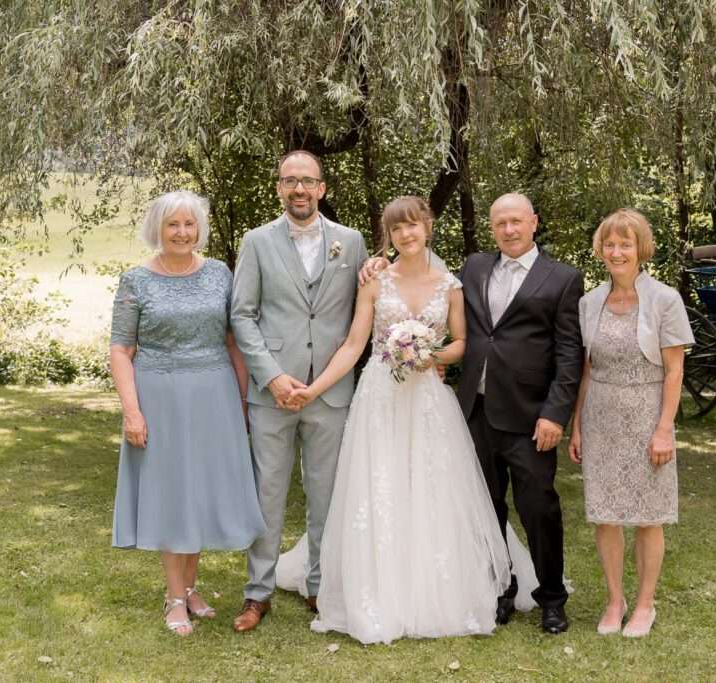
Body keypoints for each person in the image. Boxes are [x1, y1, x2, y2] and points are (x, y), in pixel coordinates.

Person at [285, 196, 510, 644]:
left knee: (430, 488)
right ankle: (378, 591)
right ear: (388, 236)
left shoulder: (450, 284)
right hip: (380, 398)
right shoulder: (375, 280)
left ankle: (434, 591)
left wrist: (432, 355)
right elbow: (353, 345)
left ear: (427, 227)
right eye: (396, 229)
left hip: (427, 398)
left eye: (412, 226)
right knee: (381, 486)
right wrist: (314, 388)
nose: (406, 235)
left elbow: (462, 342)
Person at [359, 192, 583, 634]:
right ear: (493, 228)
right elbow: (418, 267)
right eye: (501, 223)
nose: (510, 230)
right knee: (482, 506)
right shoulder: (474, 269)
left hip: (530, 414)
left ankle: (551, 597)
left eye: (517, 221)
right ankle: (498, 588)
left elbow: (570, 353)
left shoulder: (562, 278)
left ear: (534, 222)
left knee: (538, 506)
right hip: (475, 410)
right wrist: (376, 261)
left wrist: (555, 414)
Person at [110, 190, 267, 636]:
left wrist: (242, 403)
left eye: (189, 224)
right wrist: (132, 412)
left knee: (199, 489)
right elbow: (121, 349)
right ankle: (174, 597)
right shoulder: (136, 280)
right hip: (160, 396)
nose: (182, 232)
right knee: (172, 492)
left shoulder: (220, 273)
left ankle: (192, 587)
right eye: (173, 224)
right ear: (157, 229)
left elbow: (234, 342)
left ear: (199, 229)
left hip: (214, 393)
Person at [229, 150, 369, 632]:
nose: (299, 190)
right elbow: (242, 315)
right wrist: (271, 376)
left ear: (322, 189)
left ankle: (319, 586)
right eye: (290, 181)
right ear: (279, 189)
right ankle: (256, 593)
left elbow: (366, 309)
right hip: (274, 392)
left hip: (329, 391)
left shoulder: (351, 243)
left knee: (326, 493)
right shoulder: (256, 241)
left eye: (308, 181)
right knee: (266, 493)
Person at [568, 208, 693, 638]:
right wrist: (578, 425)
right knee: (605, 515)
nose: (617, 251)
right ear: (600, 249)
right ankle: (614, 600)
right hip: (600, 412)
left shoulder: (664, 300)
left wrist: (664, 429)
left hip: (646, 412)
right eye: (610, 244)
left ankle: (644, 605)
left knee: (647, 515)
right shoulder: (589, 302)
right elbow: (585, 368)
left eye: (626, 244)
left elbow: (675, 371)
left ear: (641, 249)